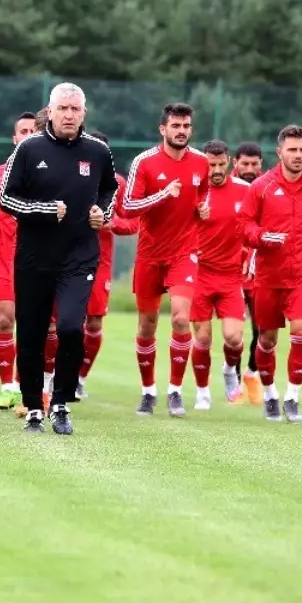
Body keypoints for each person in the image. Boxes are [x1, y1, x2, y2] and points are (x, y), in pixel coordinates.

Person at [0, 82, 118, 435]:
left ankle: (62, 403)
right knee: (32, 335)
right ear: (49, 112)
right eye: (62, 108)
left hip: (79, 258)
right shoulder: (29, 149)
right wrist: (44, 210)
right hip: (34, 258)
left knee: (69, 328)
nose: (69, 115)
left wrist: (102, 210)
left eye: (75, 109)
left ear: (84, 113)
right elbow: (7, 197)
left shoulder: (97, 152)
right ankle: (34, 406)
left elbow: (110, 188)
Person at [237, 124, 302, 423]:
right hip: (268, 275)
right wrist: (263, 237)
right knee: (266, 341)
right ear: (279, 152)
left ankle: (293, 397)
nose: (298, 155)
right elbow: (244, 226)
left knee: (300, 332)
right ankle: (270, 394)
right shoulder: (261, 187)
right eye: (292, 150)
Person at [121, 103, 210, 418]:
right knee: (147, 326)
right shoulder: (144, 162)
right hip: (149, 254)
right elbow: (129, 206)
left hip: (184, 254)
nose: (182, 131)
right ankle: (148, 392)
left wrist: (203, 209)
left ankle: (175, 391)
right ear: (163, 129)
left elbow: (203, 196)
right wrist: (162, 194)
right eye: (176, 126)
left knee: (181, 319)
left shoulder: (201, 162)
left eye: (186, 126)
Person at [0, 112, 39, 409]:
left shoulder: (47, 172)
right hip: (4, 258)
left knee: (34, 325)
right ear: (15, 138)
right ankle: (7, 386)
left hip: (37, 260)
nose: (26, 135)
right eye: (21, 131)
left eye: (31, 130)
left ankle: (30, 388)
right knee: (5, 319)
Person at [189, 139, 252, 410]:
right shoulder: (194, 192)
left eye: (219, 164)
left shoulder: (245, 190)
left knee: (234, 338)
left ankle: (229, 370)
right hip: (200, 274)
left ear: (229, 162)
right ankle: (202, 391)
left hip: (230, 276)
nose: (215, 169)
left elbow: (255, 225)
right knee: (202, 338)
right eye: (210, 164)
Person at [75, 131, 137, 401]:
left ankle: (79, 378)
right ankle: (56, 375)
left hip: (101, 262)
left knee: (94, 322)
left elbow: (132, 223)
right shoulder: (72, 175)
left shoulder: (118, 183)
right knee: (67, 322)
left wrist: (111, 224)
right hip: (70, 259)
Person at [230, 141, 265, 405]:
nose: (250, 169)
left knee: (262, 329)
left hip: (257, 271)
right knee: (233, 334)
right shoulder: (223, 186)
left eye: (254, 164)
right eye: (245, 164)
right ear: (235, 163)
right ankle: (231, 376)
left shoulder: (267, 189)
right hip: (227, 270)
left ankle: (251, 374)